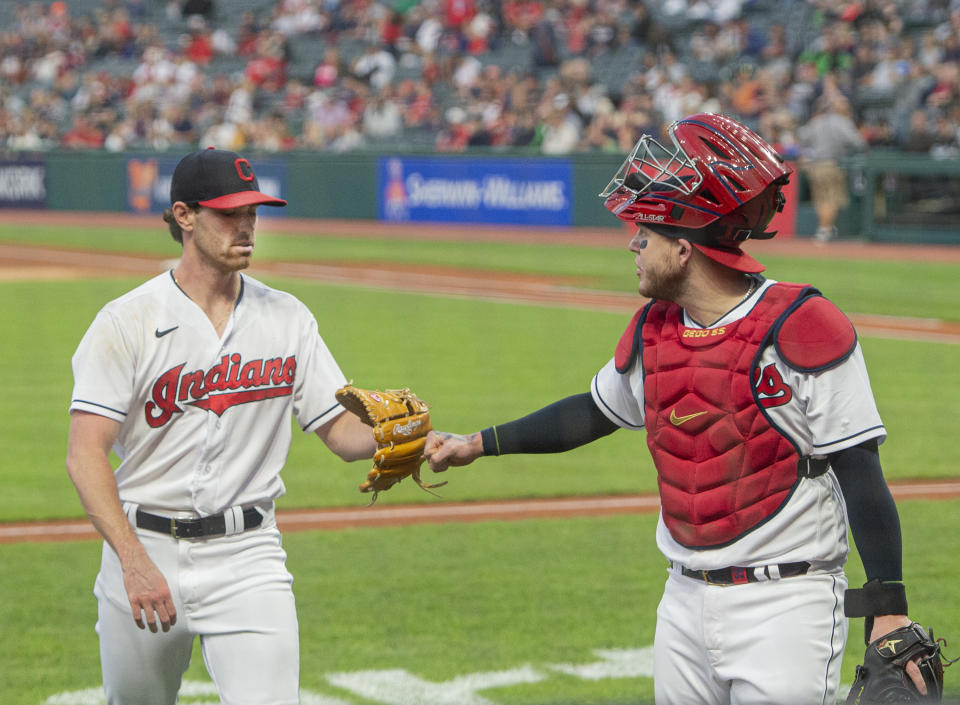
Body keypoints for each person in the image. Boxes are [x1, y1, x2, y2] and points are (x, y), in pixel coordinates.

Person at [425, 113, 926, 705]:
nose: (634, 244)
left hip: (788, 603)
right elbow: (591, 412)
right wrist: (477, 444)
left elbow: (860, 469)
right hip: (683, 601)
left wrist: (888, 605)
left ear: (684, 250)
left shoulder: (802, 324)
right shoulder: (653, 331)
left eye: (646, 234)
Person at [65, 147, 379, 705]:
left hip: (248, 557)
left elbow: (340, 432)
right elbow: (85, 454)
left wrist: (409, 438)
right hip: (144, 548)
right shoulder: (127, 320)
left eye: (253, 213)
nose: (247, 226)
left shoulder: (288, 318)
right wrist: (132, 561)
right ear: (184, 216)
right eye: (229, 213)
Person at [796, 94, 866, 243]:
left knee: (821, 199)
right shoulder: (841, 121)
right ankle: (824, 230)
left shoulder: (817, 121)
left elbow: (802, 137)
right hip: (832, 164)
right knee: (831, 199)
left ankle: (826, 228)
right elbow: (858, 142)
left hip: (815, 166)